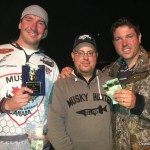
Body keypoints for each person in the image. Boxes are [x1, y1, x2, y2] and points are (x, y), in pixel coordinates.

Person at [58, 17, 150, 150]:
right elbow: (87, 77)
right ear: (114, 43)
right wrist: (71, 72)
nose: (124, 43)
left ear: (139, 37)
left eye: (129, 36)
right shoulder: (108, 73)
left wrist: (138, 103)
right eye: (118, 39)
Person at [0, 4, 59, 150]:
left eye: (40, 23)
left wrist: (50, 134)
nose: (33, 27)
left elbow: (56, 107)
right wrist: (5, 105)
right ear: (20, 24)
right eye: (29, 19)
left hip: (37, 142)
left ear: (44, 31)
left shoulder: (51, 65)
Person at [47, 34, 113, 150]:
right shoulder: (60, 85)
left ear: (96, 56)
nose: (86, 57)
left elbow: (122, 114)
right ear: (73, 56)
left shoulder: (110, 82)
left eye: (90, 53)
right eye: (80, 53)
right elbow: (54, 126)